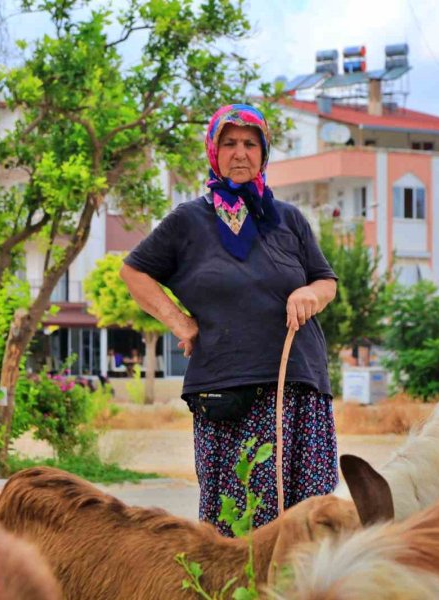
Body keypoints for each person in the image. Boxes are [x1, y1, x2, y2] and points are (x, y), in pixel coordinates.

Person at [120, 103, 338, 536]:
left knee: (307, 523)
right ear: (213, 151)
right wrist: (180, 323)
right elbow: (134, 272)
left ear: (264, 152)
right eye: (230, 143)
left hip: (296, 384)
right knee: (235, 526)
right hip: (228, 390)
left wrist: (307, 293)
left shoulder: (288, 219)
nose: (241, 153)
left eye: (250, 144)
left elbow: (325, 282)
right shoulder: (189, 220)